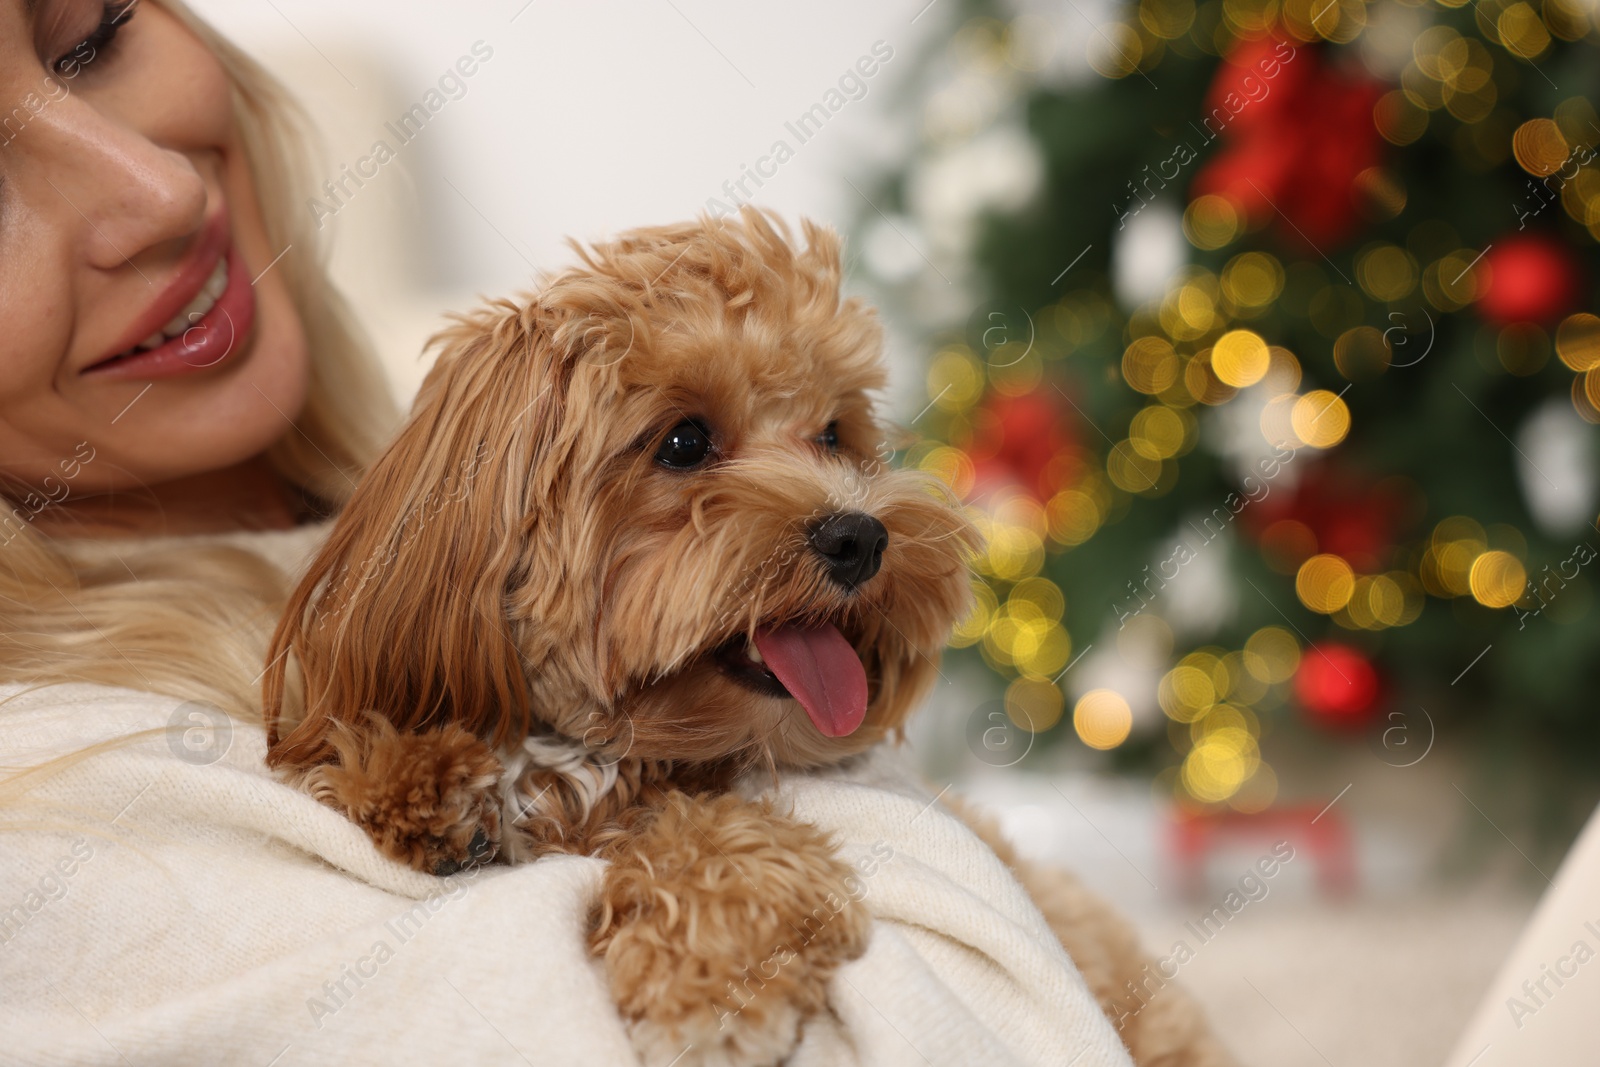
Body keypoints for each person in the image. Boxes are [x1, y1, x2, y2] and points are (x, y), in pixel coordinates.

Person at [0, 3, 1134, 1064]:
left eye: (91, 32)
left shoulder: (424, 516)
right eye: (686, 448)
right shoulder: (53, 808)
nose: (155, 192)